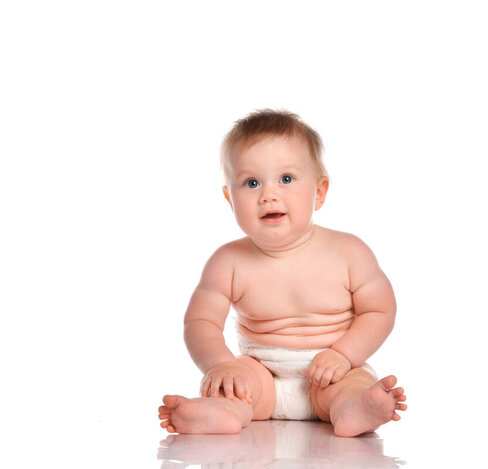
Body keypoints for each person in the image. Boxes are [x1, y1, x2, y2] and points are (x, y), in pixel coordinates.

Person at [158, 109, 407, 437]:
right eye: (251, 183)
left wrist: (344, 355)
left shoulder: (350, 252)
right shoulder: (227, 261)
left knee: (354, 383)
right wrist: (222, 365)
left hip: (332, 372)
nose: (268, 195)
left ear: (319, 192)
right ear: (228, 198)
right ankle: (220, 412)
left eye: (286, 179)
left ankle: (354, 408)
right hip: (263, 373)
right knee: (237, 385)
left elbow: (380, 310)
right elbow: (199, 323)